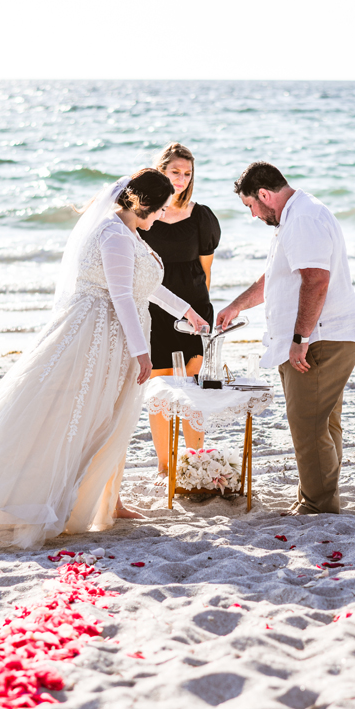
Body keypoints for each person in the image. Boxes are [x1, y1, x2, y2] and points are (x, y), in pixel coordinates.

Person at [0, 170, 209, 547]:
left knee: (106, 421)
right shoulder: (113, 235)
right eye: (156, 211)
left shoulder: (130, 233)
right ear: (140, 204)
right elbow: (123, 296)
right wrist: (142, 352)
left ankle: (103, 500)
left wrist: (186, 311)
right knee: (75, 417)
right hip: (97, 339)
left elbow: (148, 287)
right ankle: (35, 498)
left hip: (114, 338)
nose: (159, 217)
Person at [215, 162, 355, 515]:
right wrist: (238, 305)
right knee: (322, 421)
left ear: (264, 195)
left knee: (307, 422)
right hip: (323, 333)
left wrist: (301, 337)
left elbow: (316, 280)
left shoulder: (303, 219)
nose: (253, 215)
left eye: (250, 206)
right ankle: (317, 497)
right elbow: (277, 277)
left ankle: (318, 505)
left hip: (323, 336)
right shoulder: (296, 216)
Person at [138, 142, 221, 477]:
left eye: (187, 173)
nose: (182, 179)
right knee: (160, 390)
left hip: (196, 312)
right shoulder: (144, 215)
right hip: (154, 311)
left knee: (193, 388)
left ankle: (196, 460)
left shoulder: (201, 216)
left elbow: (206, 270)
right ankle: (164, 466)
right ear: (161, 171)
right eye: (175, 172)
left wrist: (199, 313)